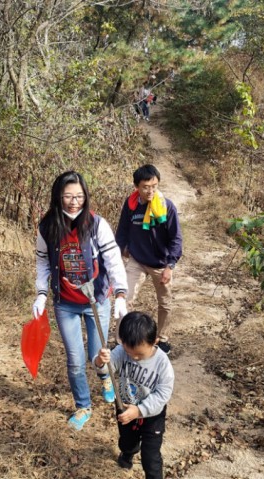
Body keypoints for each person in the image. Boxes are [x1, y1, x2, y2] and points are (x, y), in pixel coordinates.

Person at [33, 171, 128, 431]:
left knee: (98, 354)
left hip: (96, 301)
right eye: (67, 196)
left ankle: (105, 376)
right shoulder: (48, 226)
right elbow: (42, 260)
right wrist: (41, 292)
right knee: (75, 359)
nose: (74, 202)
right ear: (58, 197)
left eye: (79, 196)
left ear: (85, 196)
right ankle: (83, 405)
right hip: (66, 303)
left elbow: (113, 260)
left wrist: (120, 293)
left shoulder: (97, 224)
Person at [94, 311, 174, 479]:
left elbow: (163, 394)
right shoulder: (122, 351)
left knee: (151, 457)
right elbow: (106, 369)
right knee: (127, 441)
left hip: (152, 415)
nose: (134, 358)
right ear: (122, 342)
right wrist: (101, 361)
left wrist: (139, 411)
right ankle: (128, 453)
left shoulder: (162, 363)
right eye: (130, 353)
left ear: (154, 342)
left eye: (139, 354)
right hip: (124, 406)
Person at [115, 164, 182, 353]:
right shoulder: (131, 206)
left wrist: (170, 265)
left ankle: (162, 338)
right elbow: (122, 232)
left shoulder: (167, 207)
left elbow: (176, 238)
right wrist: (121, 252)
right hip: (137, 260)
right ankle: (121, 341)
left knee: (165, 303)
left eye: (154, 186)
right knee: (124, 298)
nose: (150, 191)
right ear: (136, 186)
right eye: (145, 187)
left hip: (161, 262)